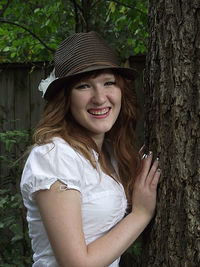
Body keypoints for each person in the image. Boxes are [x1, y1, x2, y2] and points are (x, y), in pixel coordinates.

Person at [20, 31, 161, 267]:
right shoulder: (54, 156)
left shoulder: (109, 154)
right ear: (66, 98)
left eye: (108, 83)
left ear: (121, 91)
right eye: (84, 86)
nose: (99, 98)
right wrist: (141, 214)